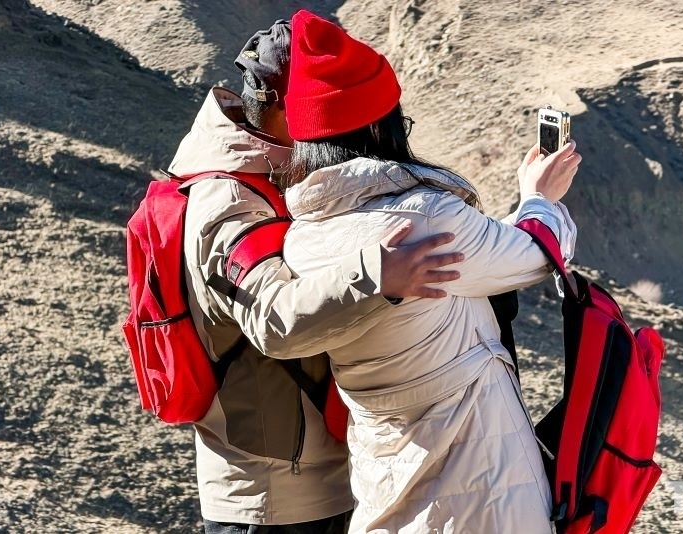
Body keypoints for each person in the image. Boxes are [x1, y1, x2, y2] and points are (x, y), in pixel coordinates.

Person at [280, 10, 581, 533]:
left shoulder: (301, 240)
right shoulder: (425, 217)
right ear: (379, 126)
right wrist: (539, 198)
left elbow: (472, 257)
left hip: (383, 478)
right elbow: (535, 254)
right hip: (481, 488)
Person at [167, 20, 465, 534]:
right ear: (290, 111)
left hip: (321, 482)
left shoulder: (272, 172)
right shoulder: (230, 199)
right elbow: (274, 319)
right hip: (273, 501)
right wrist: (377, 276)